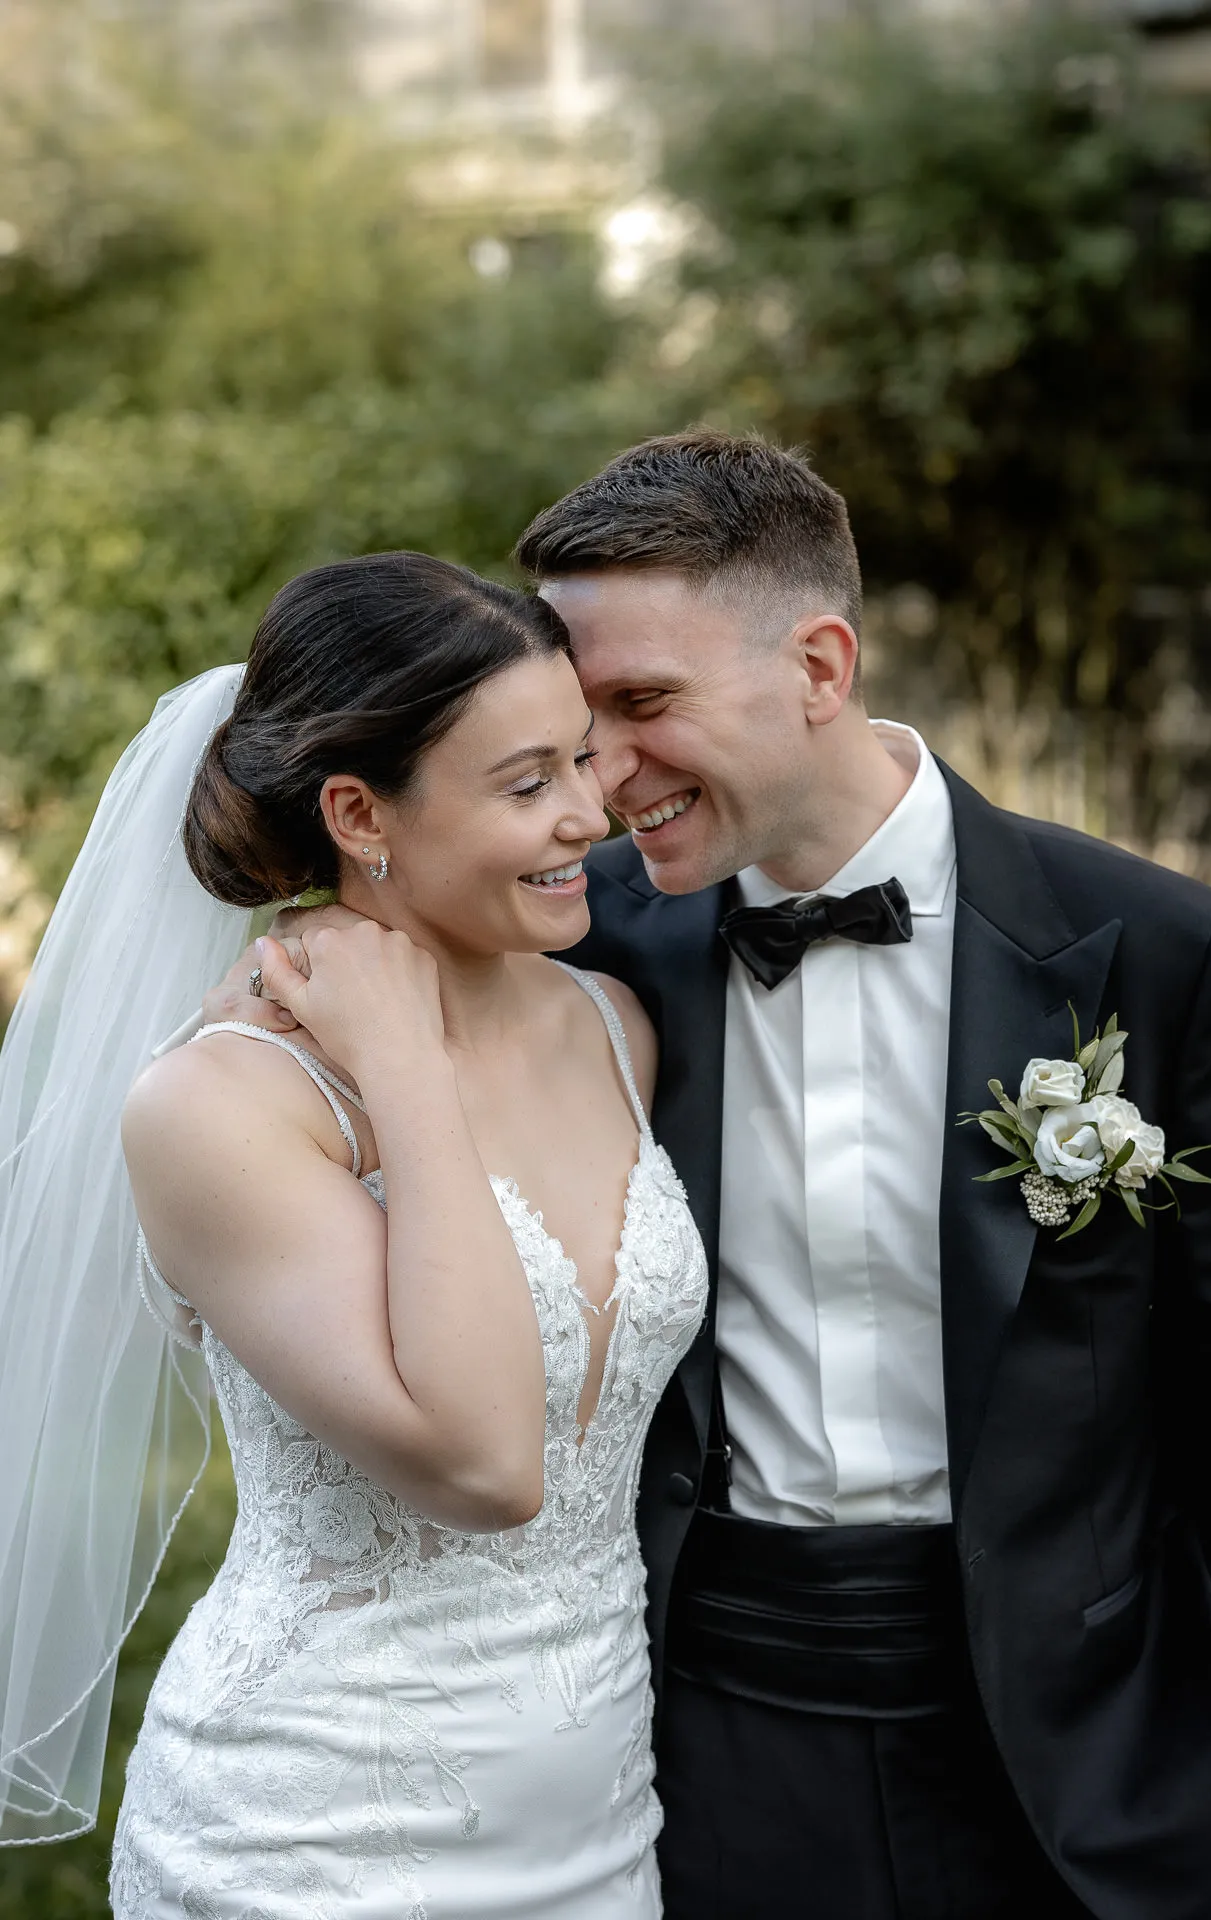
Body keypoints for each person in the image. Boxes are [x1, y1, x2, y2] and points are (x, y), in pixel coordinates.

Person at [210, 433, 1211, 1920]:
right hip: (706, 1741)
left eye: (645, 706)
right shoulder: (587, 963)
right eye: (578, 731)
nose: (600, 785)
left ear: (821, 667)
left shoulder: (1157, 950)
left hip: (1089, 1751)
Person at [0, 551, 708, 1918]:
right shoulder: (221, 1103)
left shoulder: (614, 1031)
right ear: (357, 812)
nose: (589, 818)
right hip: (315, 1841)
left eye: (581, 759)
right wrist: (402, 1067)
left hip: (607, 1824)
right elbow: (486, 1461)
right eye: (527, 784)